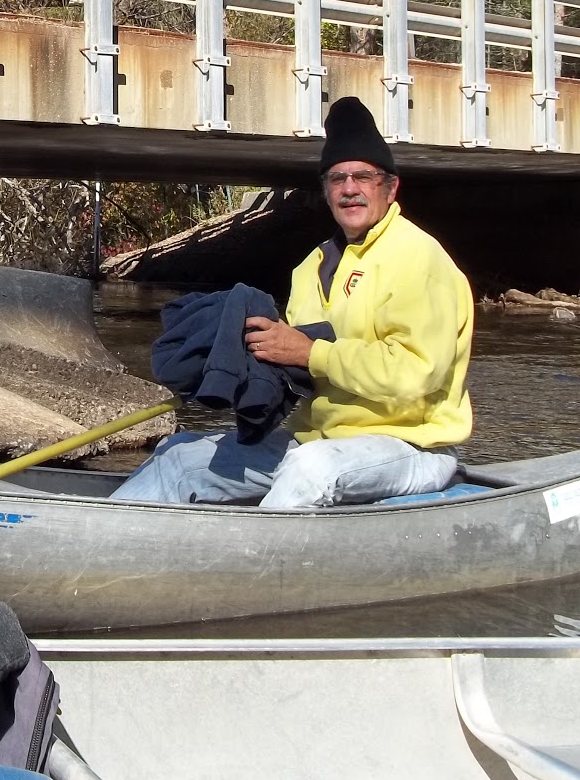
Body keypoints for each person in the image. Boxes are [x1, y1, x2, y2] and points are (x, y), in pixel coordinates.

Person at [112, 96, 473, 509]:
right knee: (178, 458)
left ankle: (249, 565)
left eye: (363, 177)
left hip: (412, 446)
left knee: (309, 468)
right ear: (325, 190)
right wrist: (241, 362)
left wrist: (310, 353)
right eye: (337, 179)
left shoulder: (419, 258)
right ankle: (97, 543)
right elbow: (296, 368)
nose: (350, 189)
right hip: (317, 436)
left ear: (390, 187)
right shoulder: (309, 268)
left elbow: (414, 376)